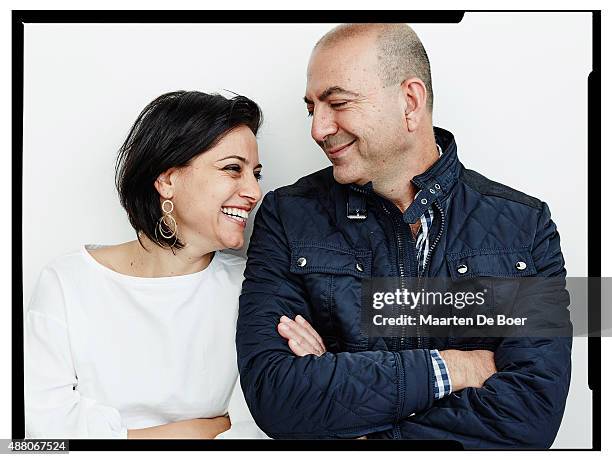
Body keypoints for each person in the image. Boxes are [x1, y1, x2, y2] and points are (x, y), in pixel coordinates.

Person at [237, 23, 572, 447]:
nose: (318, 129)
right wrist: (451, 369)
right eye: (312, 109)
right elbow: (276, 395)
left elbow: (530, 418)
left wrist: (350, 425)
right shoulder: (288, 215)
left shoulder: (525, 226)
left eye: (337, 103)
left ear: (410, 102)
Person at [25, 90, 268, 439]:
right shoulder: (67, 282)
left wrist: (118, 435)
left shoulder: (254, 286)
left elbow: (262, 424)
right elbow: (42, 433)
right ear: (167, 180)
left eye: (255, 174)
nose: (254, 192)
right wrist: (200, 431)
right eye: (233, 169)